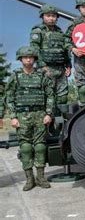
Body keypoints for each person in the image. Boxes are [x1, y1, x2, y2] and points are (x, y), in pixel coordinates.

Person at [5, 46, 54, 191]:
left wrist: (48, 113)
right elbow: (9, 97)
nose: (28, 59)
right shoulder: (15, 76)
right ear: (20, 59)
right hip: (22, 115)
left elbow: (50, 95)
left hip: (39, 114)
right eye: (25, 57)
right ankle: (29, 179)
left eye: (31, 57)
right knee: (25, 147)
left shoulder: (41, 76)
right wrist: (13, 116)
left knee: (40, 146)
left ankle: (41, 177)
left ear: (34, 59)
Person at [29, 4, 71, 108]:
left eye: (53, 16)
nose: (51, 18)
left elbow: (65, 50)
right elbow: (34, 49)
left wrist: (68, 65)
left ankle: (60, 122)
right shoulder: (38, 31)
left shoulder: (60, 32)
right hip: (46, 68)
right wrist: (42, 66)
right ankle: (47, 122)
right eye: (48, 16)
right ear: (42, 16)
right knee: (46, 97)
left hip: (61, 69)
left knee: (63, 98)